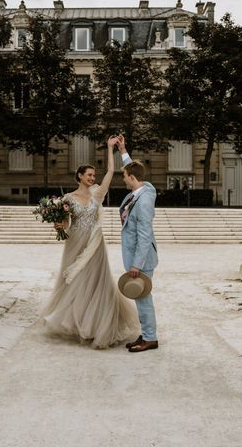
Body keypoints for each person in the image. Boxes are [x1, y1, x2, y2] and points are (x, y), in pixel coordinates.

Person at [41, 136, 139, 348]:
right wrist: (59, 225)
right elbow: (66, 224)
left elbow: (111, 172)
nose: (93, 178)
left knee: (96, 283)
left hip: (94, 244)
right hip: (74, 242)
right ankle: (77, 324)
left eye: (94, 175)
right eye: (89, 175)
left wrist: (110, 149)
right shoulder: (67, 198)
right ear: (79, 176)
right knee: (75, 281)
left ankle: (96, 325)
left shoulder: (98, 195)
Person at [117, 136, 160, 353]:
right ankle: (147, 333)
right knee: (141, 297)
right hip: (138, 257)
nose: (123, 180)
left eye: (125, 176)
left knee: (142, 298)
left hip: (141, 259)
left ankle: (150, 338)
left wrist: (136, 264)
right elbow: (133, 169)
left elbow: (144, 235)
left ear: (132, 178)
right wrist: (123, 151)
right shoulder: (144, 188)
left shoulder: (143, 201)